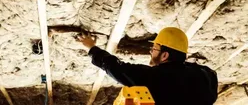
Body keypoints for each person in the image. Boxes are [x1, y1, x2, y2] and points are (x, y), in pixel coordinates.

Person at [77, 27, 218, 105]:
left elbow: (117, 68)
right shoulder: (206, 74)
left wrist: (91, 47)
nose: (151, 52)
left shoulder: (156, 77)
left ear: (164, 56)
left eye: (154, 49)